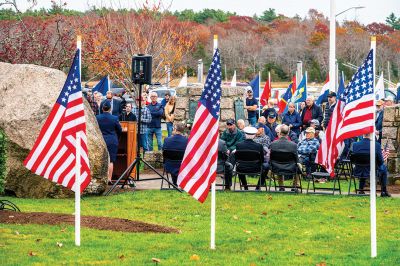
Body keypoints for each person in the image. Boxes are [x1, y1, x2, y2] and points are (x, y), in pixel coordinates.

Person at [96, 101, 122, 184]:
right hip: (111, 140)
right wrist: (116, 137)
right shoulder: (114, 118)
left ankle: (99, 179)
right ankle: (109, 179)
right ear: (110, 109)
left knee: (100, 160)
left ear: (102, 108)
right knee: (110, 160)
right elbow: (119, 130)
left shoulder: (97, 117)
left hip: (100, 140)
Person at [270, 124, 299, 191]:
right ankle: (295, 186)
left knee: (279, 162)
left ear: (280, 133)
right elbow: (296, 159)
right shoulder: (293, 145)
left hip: (276, 167)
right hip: (290, 167)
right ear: (288, 133)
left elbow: (271, 158)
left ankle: (281, 186)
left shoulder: (273, 144)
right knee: (298, 166)